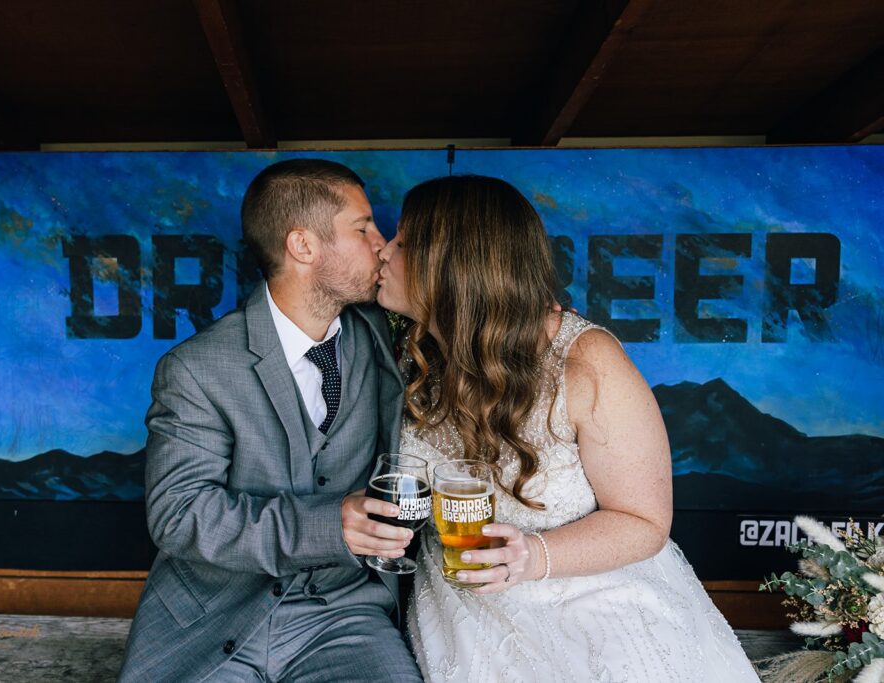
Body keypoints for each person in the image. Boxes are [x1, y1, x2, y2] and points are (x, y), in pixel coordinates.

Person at [375, 175, 760, 682]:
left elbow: (644, 520)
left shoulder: (584, 360)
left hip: (592, 590)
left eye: (401, 241)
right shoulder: (404, 350)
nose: (382, 251)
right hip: (464, 596)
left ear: (450, 265)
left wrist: (532, 557)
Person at [118, 159, 423, 682]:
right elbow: (179, 515)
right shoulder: (195, 368)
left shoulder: (387, 332)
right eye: (363, 227)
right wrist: (330, 525)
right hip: (213, 620)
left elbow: (474, 305)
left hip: (344, 617)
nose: (382, 242)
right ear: (303, 246)